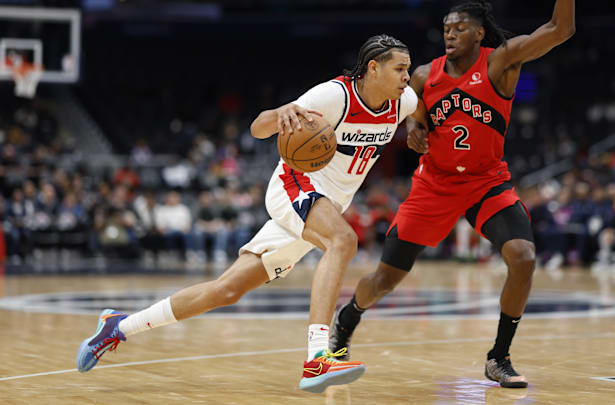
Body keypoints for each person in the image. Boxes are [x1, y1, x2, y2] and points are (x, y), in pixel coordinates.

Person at [75, 34, 420, 394]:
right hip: (295, 186)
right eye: (399, 69)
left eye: (408, 70)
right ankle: (318, 358)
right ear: (373, 68)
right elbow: (258, 128)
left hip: (326, 207)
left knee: (227, 290)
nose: (406, 76)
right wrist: (280, 113)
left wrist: (416, 128)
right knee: (343, 240)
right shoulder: (334, 96)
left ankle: (118, 326)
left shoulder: (403, 101)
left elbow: (420, 107)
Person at [329, 1, 575, 389]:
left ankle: (499, 357)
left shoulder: (501, 62)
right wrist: (414, 127)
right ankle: (347, 319)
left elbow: (560, 30)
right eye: (446, 28)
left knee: (523, 257)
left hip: (486, 182)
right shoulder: (424, 75)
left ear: (479, 33)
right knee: (385, 279)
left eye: (460, 28)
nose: (450, 33)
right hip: (435, 185)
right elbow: (414, 115)